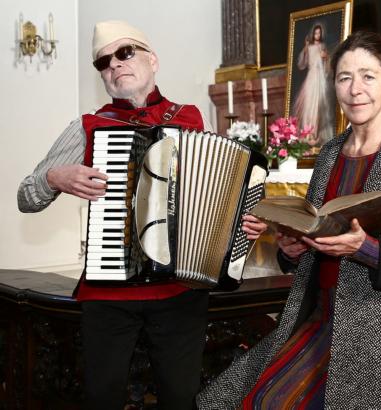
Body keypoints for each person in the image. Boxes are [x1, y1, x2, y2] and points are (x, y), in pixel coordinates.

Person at [199, 31, 381, 409]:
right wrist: (292, 248)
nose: (356, 89)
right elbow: (314, 227)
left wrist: (365, 248)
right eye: (344, 77)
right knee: (239, 399)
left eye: (369, 76)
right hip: (321, 317)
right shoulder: (329, 153)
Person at [17, 20, 266, 410]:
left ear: (153, 60)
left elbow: (221, 195)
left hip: (180, 293)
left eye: (125, 52)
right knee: (103, 399)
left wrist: (242, 224)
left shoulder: (190, 119)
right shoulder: (89, 127)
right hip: (109, 294)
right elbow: (25, 197)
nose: (114, 64)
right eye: (104, 61)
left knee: (181, 400)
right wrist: (53, 177)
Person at [293, 23, 333, 146]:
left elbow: (328, 67)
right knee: (308, 104)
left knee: (319, 105)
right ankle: (307, 133)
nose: (317, 35)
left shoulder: (323, 47)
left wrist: (326, 58)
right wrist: (305, 49)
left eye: (319, 33)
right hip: (311, 77)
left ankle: (315, 133)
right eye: (315, 33)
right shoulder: (309, 47)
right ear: (312, 34)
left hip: (320, 78)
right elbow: (302, 64)